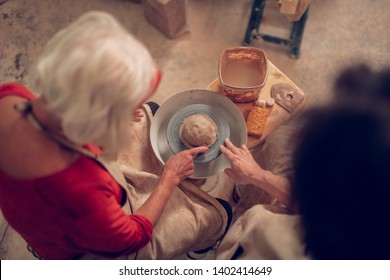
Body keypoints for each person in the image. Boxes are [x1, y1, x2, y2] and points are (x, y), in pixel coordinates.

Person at [0, 11, 230, 260]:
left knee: (149, 111)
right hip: (92, 251)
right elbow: (133, 237)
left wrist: (113, 113)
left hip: (66, 210)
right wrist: (169, 178)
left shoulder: (9, 96)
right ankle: (200, 248)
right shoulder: (83, 193)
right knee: (218, 214)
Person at [216, 64, 390, 260]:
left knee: (232, 216)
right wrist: (258, 175)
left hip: (262, 235)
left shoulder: (268, 244)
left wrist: (258, 177)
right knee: (281, 136)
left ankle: (238, 210)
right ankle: (247, 191)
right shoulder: (366, 217)